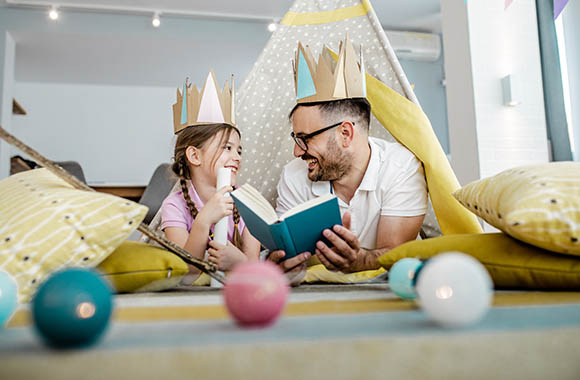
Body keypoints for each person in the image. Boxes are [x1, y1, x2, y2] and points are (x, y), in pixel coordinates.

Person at [269, 38, 427, 280]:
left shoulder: (401, 166)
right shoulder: (294, 175)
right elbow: (286, 251)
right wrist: (277, 263)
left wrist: (360, 260)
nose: (297, 152)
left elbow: (396, 254)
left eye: (305, 138)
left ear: (345, 133)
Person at [161, 73, 260, 278]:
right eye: (227, 148)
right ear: (194, 155)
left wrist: (239, 263)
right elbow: (187, 274)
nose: (237, 157)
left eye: (239, 150)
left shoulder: (248, 202)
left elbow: (255, 270)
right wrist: (204, 220)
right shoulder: (174, 206)